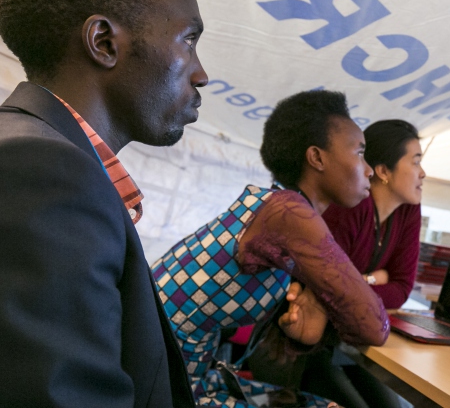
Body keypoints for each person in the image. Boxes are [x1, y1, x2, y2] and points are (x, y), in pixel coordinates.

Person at [0, 0, 207, 406]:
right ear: (103, 42)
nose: (201, 73)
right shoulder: (33, 173)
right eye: (189, 40)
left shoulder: (15, 150)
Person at [152, 90, 389, 408]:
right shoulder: (288, 214)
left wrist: (302, 334)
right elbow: (374, 327)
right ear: (317, 158)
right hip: (159, 381)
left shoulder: (278, 208)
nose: (369, 169)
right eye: (359, 152)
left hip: (185, 373)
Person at [298, 119, 424, 408]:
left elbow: (402, 288)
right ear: (382, 172)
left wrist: (357, 282)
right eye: (416, 162)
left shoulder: (409, 210)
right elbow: (329, 291)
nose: (423, 173)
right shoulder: (351, 206)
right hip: (306, 345)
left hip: (350, 344)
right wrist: (373, 279)